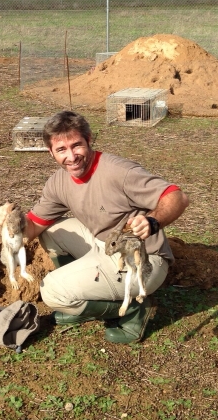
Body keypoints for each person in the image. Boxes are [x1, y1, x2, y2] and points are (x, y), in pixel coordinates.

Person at [24, 111, 189, 343]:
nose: (71, 156)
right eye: (61, 150)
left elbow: (177, 197)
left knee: (52, 291)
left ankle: (134, 311)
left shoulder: (118, 172)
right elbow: (32, 227)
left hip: (143, 262)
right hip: (106, 246)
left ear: (89, 139)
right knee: (52, 231)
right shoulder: (59, 182)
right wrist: (10, 221)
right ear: (51, 152)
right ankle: (81, 301)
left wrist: (152, 221)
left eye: (77, 145)